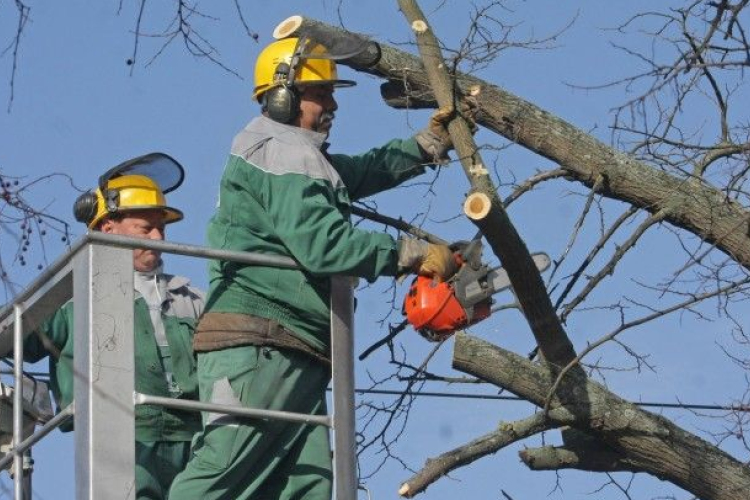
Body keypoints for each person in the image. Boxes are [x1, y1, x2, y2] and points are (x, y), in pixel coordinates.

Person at [169, 36, 464, 500]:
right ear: (282, 97)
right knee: (220, 474)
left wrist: (424, 146)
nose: (332, 105)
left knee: (306, 487)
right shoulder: (280, 150)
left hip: (295, 345)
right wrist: (408, 254)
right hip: (261, 341)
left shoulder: (297, 154)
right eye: (321, 93)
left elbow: (356, 173)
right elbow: (324, 245)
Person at [24, 153, 204, 500]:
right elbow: (21, 336)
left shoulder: (190, 297)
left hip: (193, 439)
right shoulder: (74, 298)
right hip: (124, 435)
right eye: (146, 228)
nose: (158, 237)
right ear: (108, 229)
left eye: (162, 228)